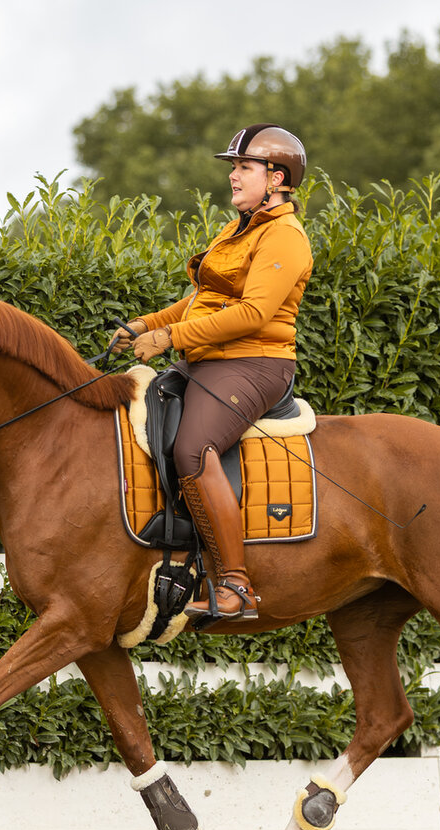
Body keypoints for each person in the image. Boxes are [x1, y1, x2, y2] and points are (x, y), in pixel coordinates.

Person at [111, 123, 313, 621]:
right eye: (234, 168)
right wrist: (146, 323)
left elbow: (254, 315)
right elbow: (205, 301)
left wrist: (169, 339)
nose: (234, 176)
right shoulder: (240, 229)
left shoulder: (285, 237)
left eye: (244, 167)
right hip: (213, 359)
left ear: (278, 177)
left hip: (256, 364)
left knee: (191, 448)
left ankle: (235, 587)